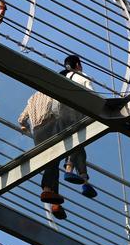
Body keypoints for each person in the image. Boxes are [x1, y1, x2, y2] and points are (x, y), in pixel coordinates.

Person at [18, 91, 66, 220]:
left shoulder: (31, 99)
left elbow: (21, 119)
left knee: (51, 163)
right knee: (53, 161)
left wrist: (26, 127)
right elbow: (56, 109)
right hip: (50, 124)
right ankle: (46, 188)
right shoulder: (49, 92)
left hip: (37, 132)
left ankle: (54, 200)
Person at [58, 54, 98, 198]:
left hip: (62, 114)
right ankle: (71, 171)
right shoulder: (81, 76)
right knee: (76, 142)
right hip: (76, 112)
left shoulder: (62, 79)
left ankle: (84, 181)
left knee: (76, 145)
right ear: (77, 65)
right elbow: (93, 95)